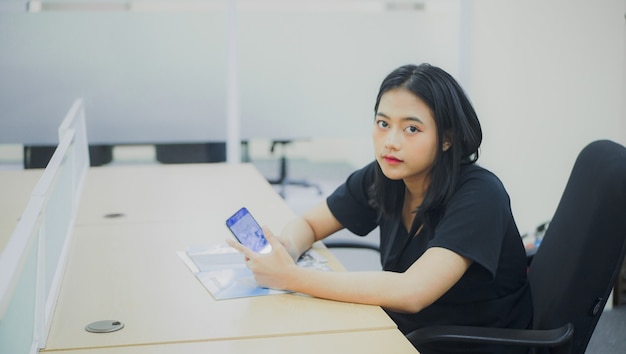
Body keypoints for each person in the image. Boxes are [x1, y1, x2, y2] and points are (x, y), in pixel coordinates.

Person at [227, 63, 533, 353]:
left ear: (447, 139)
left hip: (464, 343)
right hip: (401, 331)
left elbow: (412, 292)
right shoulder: (387, 176)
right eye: (383, 123)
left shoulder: (480, 194)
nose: (391, 142)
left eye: (411, 129)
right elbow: (309, 224)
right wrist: (287, 248)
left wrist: (291, 278)